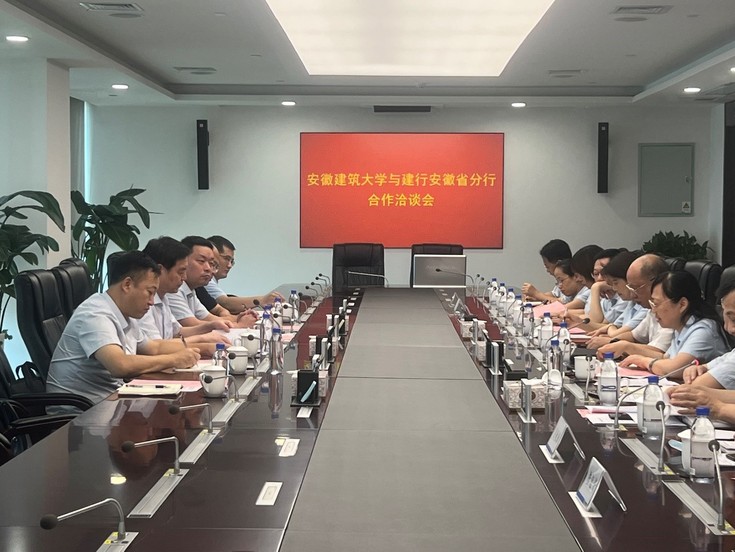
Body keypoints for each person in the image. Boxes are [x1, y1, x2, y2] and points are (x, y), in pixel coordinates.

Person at [46, 251, 200, 405]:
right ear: (127, 285)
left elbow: (155, 347)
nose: (152, 302)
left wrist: (199, 349)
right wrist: (173, 360)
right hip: (81, 410)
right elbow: (120, 365)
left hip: (110, 399)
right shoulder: (95, 314)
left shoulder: (125, 313)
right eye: (150, 292)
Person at [619, 270, 729, 376]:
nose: (653, 310)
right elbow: (666, 358)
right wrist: (629, 349)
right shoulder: (681, 326)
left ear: (682, 304)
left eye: (656, 304)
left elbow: (675, 368)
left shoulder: (704, 330)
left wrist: (643, 361)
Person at [139, 236, 231, 354]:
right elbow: (156, 346)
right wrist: (203, 341)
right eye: (181, 272)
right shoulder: (143, 301)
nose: (184, 277)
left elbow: (177, 332)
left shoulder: (163, 297)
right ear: (160, 270)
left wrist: (209, 326)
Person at [667, 280, 735, 420]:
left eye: (734, 319)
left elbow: (698, 385)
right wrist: (702, 368)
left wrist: (719, 407)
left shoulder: (704, 328)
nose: (729, 329)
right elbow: (698, 382)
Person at [167, 236, 258, 328]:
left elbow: (209, 318)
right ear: (184, 261)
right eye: (201, 261)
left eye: (211, 264)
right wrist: (239, 325)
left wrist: (239, 318)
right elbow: (192, 325)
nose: (208, 268)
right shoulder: (174, 289)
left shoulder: (191, 290)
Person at [593, 254, 673, 357]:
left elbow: (660, 353)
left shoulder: (672, 313)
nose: (633, 294)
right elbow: (634, 336)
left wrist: (624, 346)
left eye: (636, 288)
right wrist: (613, 342)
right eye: (630, 288)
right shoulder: (651, 310)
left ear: (656, 283)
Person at [203, 235, 284, 314]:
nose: (229, 265)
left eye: (232, 261)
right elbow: (225, 303)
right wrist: (263, 300)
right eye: (226, 259)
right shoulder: (206, 280)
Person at [521, 239, 572, 303]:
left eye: (547, 266)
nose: (547, 270)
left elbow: (563, 302)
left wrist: (536, 294)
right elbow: (554, 294)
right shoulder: (562, 280)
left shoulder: (571, 281)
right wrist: (535, 296)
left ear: (558, 263)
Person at [563, 244, 602, 311]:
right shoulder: (592, 290)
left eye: (578, 275)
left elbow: (592, 316)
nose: (577, 280)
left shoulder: (598, 291)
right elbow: (586, 313)